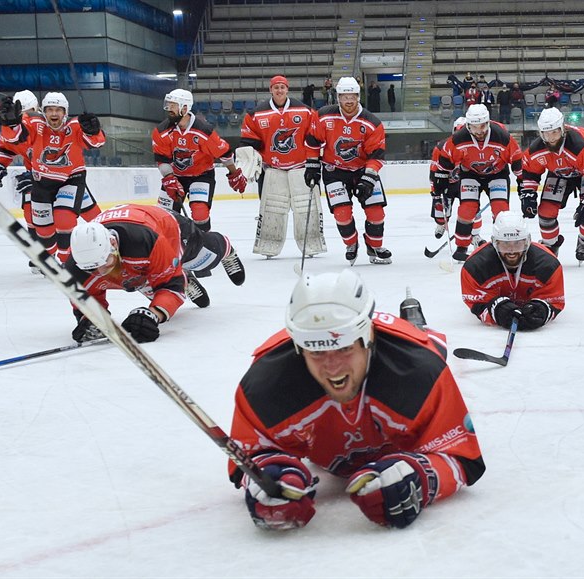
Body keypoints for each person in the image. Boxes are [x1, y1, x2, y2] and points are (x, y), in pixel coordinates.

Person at [228, 269, 485, 530]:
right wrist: (271, 477)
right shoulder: (264, 386)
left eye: (344, 348)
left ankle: (414, 321)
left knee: (429, 341)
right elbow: (247, 458)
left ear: (368, 337)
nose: (332, 367)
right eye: (316, 350)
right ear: (298, 347)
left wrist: (422, 477)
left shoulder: (420, 373)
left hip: (408, 352)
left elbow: (463, 458)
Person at [66, 204, 246, 343]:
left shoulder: (145, 241)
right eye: (92, 269)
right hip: (143, 256)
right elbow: (85, 301)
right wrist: (90, 319)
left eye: (104, 264)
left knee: (203, 258)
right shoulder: (75, 268)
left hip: (168, 229)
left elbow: (171, 287)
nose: (101, 273)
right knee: (138, 280)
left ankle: (225, 249)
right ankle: (181, 275)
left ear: (113, 244)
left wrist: (153, 315)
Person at [0, 92, 104, 260]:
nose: (54, 114)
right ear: (43, 111)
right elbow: (14, 138)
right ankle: (48, 256)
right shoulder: (35, 122)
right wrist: (10, 124)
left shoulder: (76, 125)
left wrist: (94, 131)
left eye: (58, 110)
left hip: (70, 179)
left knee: (65, 219)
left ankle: (67, 262)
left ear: (65, 112)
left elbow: (97, 143)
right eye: (50, 110)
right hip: (42, 182)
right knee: (44, 232)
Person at [237, 75, 326, 259]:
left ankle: (311, 244)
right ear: (271, 89)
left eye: (282, 87)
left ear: (287, 89)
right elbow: (249, 142)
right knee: (271, 209)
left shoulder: (305, 111)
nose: (279, 90)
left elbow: (315, 137)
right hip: (272, 169)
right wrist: (251, 157)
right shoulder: (256, 114)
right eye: (276, 87)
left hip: (300, 167)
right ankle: (268, 245)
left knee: (305, 209)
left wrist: (314, 162)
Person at [305, 77, 391, 264]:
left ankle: (374, 246)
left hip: (363, 170)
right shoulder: (323, 116)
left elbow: (376, 155)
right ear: (338, 97)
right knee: (341, 214)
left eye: (352, 96)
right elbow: (312, 142)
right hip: (334, 170)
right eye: (345, 96)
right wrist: (312, 166)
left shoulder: (371, 122)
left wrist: (368, 179)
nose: (349, 100)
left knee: (376, 212)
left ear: (358, 97)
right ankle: (351, 244)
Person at [519, 107, 584, 262]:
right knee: (546, 212)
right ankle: (551, 244)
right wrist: (528, 192)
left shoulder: (580, 145)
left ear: (563, 129)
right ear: (541, 133)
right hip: (559, 172)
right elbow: (530, 172)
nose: (551, 138)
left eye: (554, 132)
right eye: (546, 133)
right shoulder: (536, 149)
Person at [436, 104, 523, 261]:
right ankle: (461, 248)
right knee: (466, 210)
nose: (479, 131)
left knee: (501, 211)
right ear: (468, 125)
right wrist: (441, 178)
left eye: (482, 126)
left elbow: (516, 157)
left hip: (497, 174)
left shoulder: (501, 136)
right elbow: (445, 158)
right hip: (470, 174)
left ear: (488, 123)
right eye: (475, 127)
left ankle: (501, 246)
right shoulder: (458, 138)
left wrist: (522, 180)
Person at [152, 89, 247, 233]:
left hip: (201, 175)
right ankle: (171, 247)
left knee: (200, 213)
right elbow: (162, 159)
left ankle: (203, 243)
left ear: (185, 107)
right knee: (163, 216)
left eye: (173, 105)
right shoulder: (161, 131)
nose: (169, 109)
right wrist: (169, 178)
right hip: (175, 176)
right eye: (169, 105)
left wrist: (234, 173)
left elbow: (224, 153)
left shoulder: (203, 131)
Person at [460, 213, 564, 330]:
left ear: (527, 242)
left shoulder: (548, 265)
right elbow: (476, 302)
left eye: (517, 244)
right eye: (505, 244)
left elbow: (554, 300)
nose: (511, 251)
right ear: (495, 243)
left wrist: (542, 310)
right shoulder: (475, 267)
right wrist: (496, 310)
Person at [0, 90, 42, 270]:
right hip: (34, 175)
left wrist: (38, 175)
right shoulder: (15, 128)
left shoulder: (44, 126)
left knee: (57, 216)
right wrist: (0, 166)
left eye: (30, 113)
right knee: (30, 209)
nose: (27, 118)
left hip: (57, 177)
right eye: (23, 114)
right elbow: (7, 148)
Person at [429, 116, 480, 241]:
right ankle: (441, 223)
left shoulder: (475, 146)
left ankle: (474, 235)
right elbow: (434, 169)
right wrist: (435, 190)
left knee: (473, 210)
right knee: (440, 212)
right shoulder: (442, 147)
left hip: (465, 182)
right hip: (446, 183)